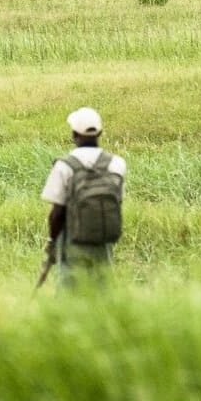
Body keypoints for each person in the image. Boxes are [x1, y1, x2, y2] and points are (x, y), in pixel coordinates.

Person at [41, 106, 126, 286]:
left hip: (73, 240)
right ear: (100, 133)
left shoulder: (65, 165)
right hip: (104, 240)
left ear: (74, 135)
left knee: (69, 292)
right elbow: (117, 201)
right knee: (104, 291)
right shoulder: (117, 164)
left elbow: (57, 212)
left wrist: (52, 242)